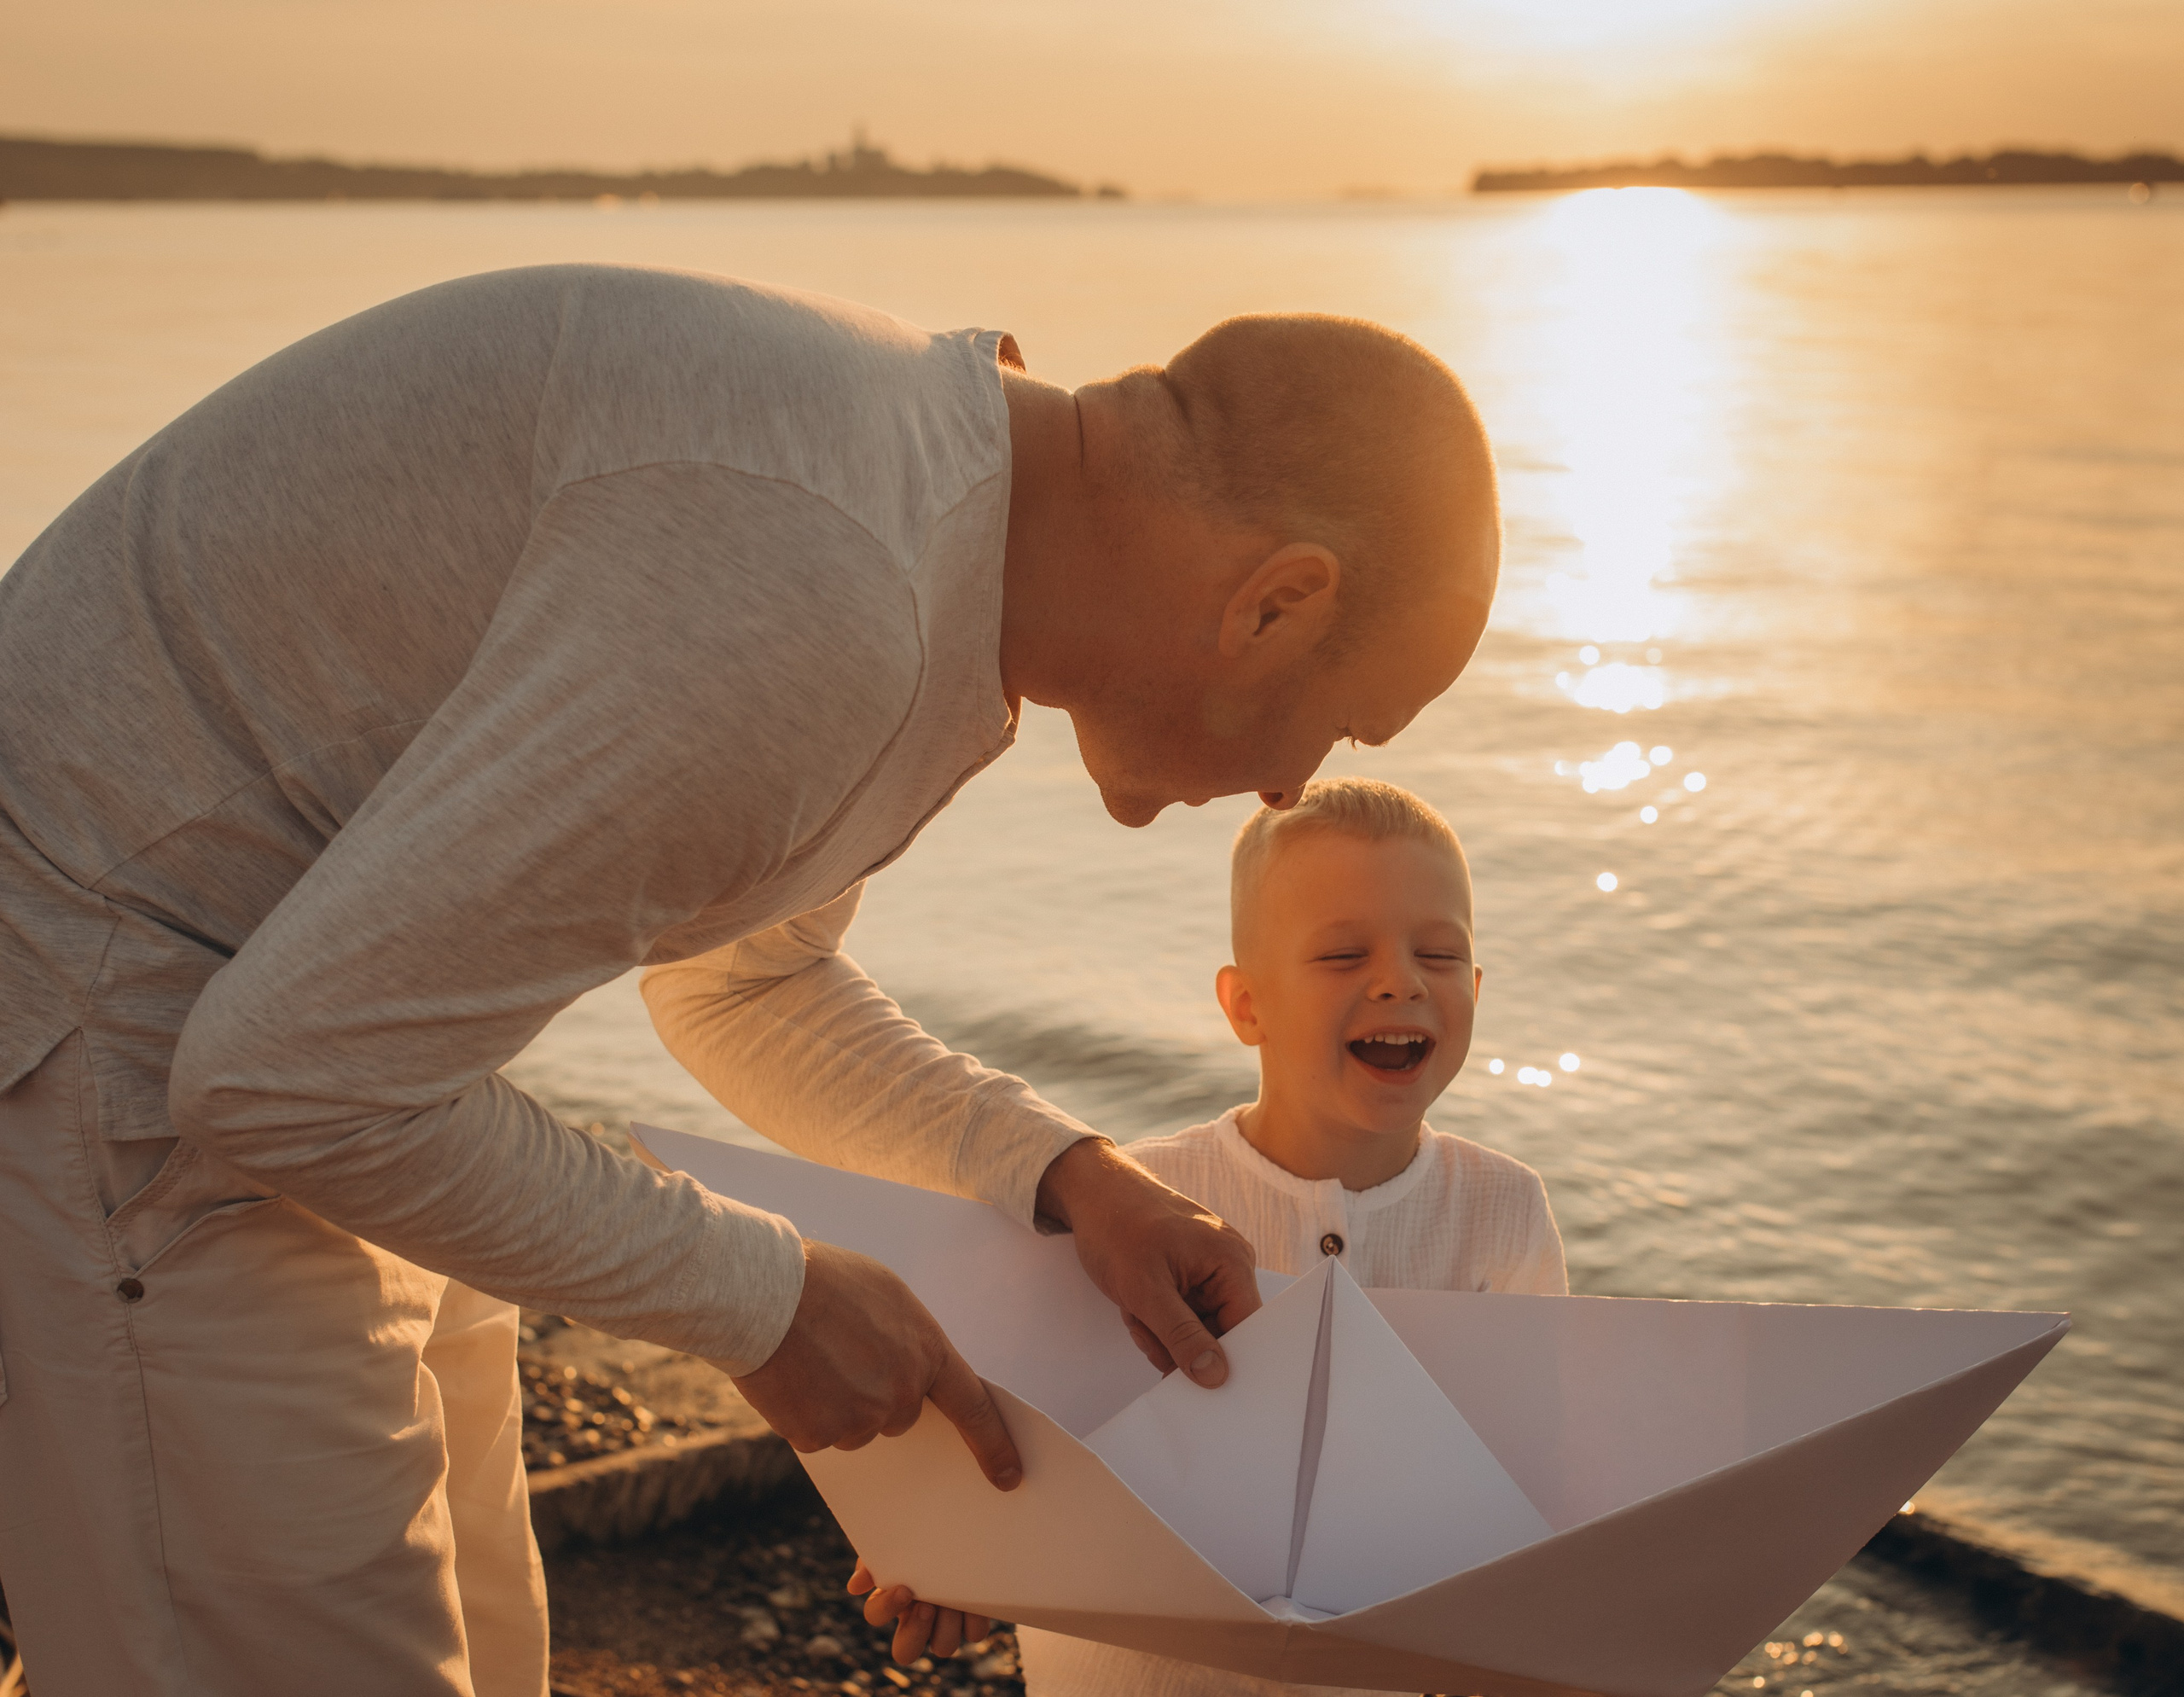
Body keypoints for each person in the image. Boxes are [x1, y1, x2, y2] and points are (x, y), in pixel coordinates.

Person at [0, 266, 1501, 1696]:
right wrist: (764, 1298)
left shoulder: (934, 504)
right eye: (1342, 727)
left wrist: (1064, 1174)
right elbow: (282, 1076)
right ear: (1277, 603)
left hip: (322, 1018)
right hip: (109, 1033)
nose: (1291, 785)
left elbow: (741, 984)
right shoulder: (821, 584)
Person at [853, 778, 1565, 1690]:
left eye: (1441, 951)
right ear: (1245, 1007)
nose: (1400, 979)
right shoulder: (1140, 1206)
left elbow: (1526, 1475)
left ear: (1477, 984)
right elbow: (1039, 1439)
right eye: (1344, 955)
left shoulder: (1503, 1211)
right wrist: (956, 1558)